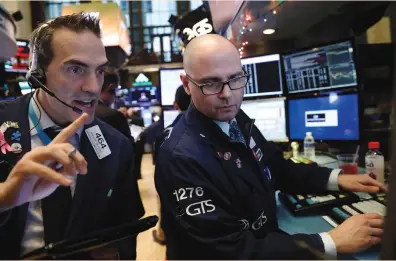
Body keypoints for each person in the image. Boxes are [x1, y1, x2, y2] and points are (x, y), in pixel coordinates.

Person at [154, 34, 387, 260]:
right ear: (186, 84)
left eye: (235, 78)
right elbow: (228, 250)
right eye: (211, 83)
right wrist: (330, 242)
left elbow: (276, 166)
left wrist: (335, 178)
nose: (227, 94)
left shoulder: (231, 117)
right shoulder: (179, 157)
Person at [0, 13, 144, 260]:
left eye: (100, 71)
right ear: (38, 73)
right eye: (75, 69)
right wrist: (2, 197)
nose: (93, 87)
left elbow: (125, 231)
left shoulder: (116, 145)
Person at [151, 85, 191, 245]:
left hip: (175, 212)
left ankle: (163, 235)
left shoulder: (165, 134)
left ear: (175, 105)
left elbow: (160, 176)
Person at [95, 70, 133, 143]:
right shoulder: (114, 116)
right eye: (116, 91)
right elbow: (129, 147)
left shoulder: (80, 112)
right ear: (111, 88)